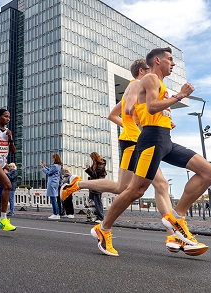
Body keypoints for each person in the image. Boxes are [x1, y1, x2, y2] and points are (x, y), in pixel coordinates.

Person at [88, 47, 211, 257]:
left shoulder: (160, 84)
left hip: (165, 139)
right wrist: (180, 96)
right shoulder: (148, 78)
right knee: (134, 191)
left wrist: (165, 118)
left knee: (209, 173)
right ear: (157, 61)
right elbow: (151, 107)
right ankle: (103, 229)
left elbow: (141, 112)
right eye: (170, 59)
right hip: (152, 141)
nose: (173, 63)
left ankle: (176, 217)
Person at [63, 59, 190, 255]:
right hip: (137, 142)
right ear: (142, 71)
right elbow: (131, 109)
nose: (154, 74)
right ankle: (173, 234)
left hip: (134, 140)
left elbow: (114, 114)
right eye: (150, 70)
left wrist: (134, 125)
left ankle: (78, 184)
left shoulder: (134, 87)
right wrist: (142, 124)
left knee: (125, 188)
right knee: (159, 185)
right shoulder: (138, 84)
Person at [84, 152, 106, 223]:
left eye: (92, 158)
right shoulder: (96, 164)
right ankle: (94, 216)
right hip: (93, 185)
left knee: (97, 202)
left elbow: (95, 175)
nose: (92, 159)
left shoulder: (101, 165)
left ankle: (101, 217)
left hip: (97, 186)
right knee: (92, 202)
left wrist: (88, 168)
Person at [41, 154, 62, 220]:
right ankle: (57, 213)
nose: (52, 159)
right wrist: (45, 167)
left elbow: (49, 173)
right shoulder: (58, 166)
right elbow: (50, 170)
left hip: (52, 182)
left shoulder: (55, 166)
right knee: (54, 198)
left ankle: (55, 213)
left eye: (53, 158)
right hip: (55, 182)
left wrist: (43, 168)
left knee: (53, 198)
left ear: (55, 158)